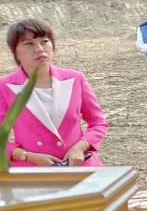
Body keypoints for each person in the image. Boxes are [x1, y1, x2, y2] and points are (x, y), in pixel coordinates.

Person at [1, 19, 109, 168]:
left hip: (80, 167)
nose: (39, 49)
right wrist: (27, 156)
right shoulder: (4, 87)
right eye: (29, 43)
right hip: (33, 173)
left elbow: (98, 123)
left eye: (44, 41)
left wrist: (80, 147)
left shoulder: (75, 79)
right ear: (15, 51)